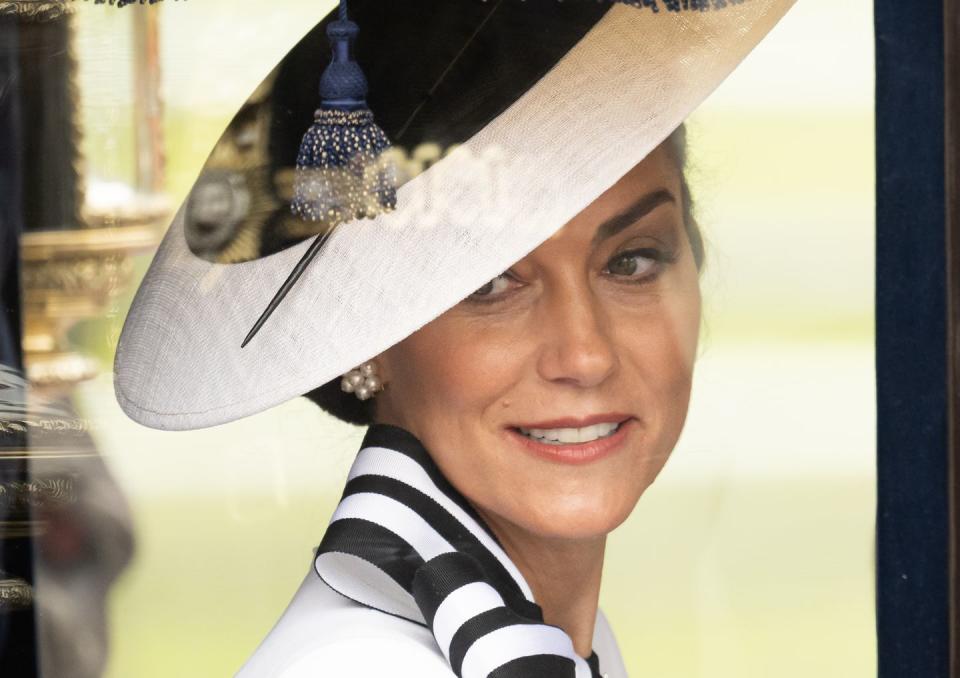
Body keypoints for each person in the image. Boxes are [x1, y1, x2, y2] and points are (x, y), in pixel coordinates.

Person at [113, 1, 794, 675]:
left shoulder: (543, 641)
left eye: (631, 261)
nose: (585, 355)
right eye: (491, 283)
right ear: (369, 339)